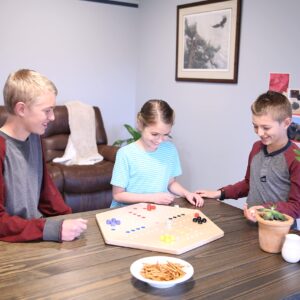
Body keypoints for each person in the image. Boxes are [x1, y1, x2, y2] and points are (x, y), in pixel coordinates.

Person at [0, 69, 88, 242]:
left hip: (33, 233)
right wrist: (52, 229)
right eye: (47, 111)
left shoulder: (34, 138)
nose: (53, 117)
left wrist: (66, 219)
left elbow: (45, 191)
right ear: (21, 109)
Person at [197, 91, 300, 226]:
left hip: (279, 231)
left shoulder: (295, 158)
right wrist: (219, 193)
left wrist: (265, 210)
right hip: (251, 225)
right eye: (255, 126)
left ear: (286, 123)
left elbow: (296, 206)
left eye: (266, 127)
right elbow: (249, 183)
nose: (260, 133)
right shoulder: (257, 148)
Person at [110, 99, 204, 208]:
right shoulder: (125, 154)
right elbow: (118, 195)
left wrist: (187, 193)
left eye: (166, 134)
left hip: (157, 211)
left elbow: (170, 183)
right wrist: (152, 198)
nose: (160, 140)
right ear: (140, 125)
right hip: (127, 213)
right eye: (155, 134)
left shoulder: (170, 149)